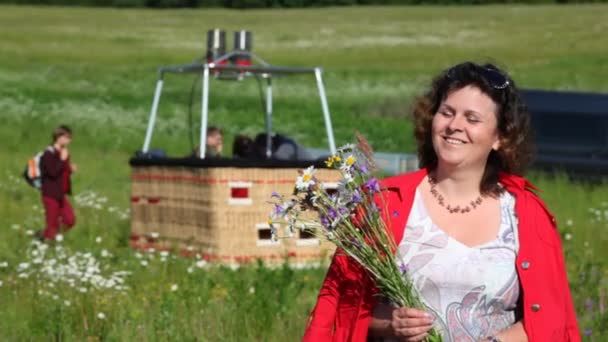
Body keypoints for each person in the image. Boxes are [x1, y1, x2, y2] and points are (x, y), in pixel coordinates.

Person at [302, 62, 580, 341]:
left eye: (472, 119)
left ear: (500, 138)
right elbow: (340, 307)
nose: (454, 126)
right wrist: (390, 322)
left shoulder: (527, 215)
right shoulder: (383, 204)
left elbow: (549, 321)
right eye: (447, 113)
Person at [39, 125, 77, 241]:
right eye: (66, 138)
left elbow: (61, 172)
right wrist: (62, 159)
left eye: (70, 138)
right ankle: (48, 240)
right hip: (50, 194)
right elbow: (52, 172)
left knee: (70, 220)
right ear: (58, 137)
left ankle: (47, 235)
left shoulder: (64, 152)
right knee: (52, 224)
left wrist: (70, 169)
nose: (69, 141)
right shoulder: (48, 153)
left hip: (61, 194)